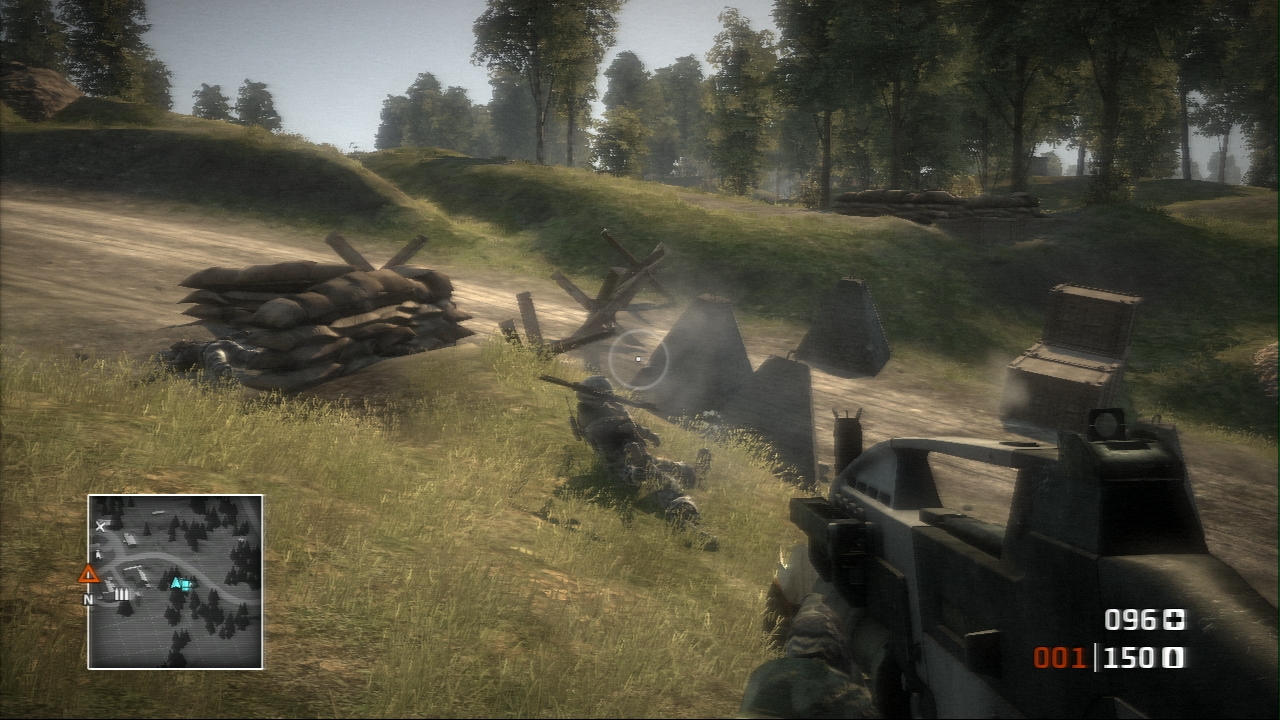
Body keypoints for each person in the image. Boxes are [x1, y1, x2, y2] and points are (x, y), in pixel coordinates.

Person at [572, 375, 715, 546]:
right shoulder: (600, 428)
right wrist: (632, 473)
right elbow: (614, 460)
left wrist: (649, 434)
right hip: (629, 470)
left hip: (642, 460)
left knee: (680, 469)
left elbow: (631, 425)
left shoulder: (604, 413)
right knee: (667, 484)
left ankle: (696, 475)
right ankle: (684, 525)